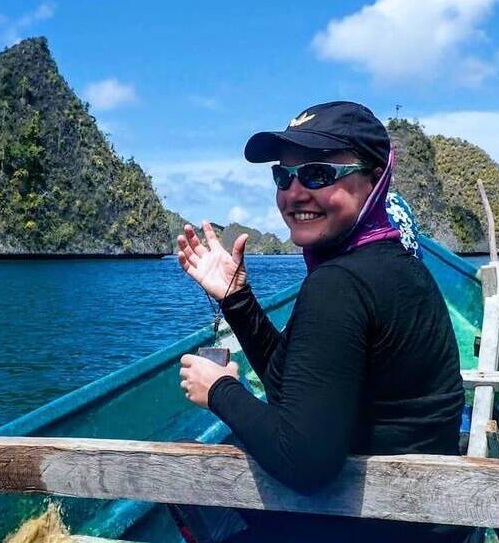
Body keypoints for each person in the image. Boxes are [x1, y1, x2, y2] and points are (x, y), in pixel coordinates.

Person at [175, 101, 471, 542]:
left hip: (366, 526)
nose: (294, 192)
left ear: (374, 180)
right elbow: (294, 386)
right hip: (420, 520)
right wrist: (236, 298)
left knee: (185, 471)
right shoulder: (397, 265)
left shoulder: (339, 286)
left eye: (318, 174)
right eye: (283, 175)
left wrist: (219, 390)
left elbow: (304, 462)